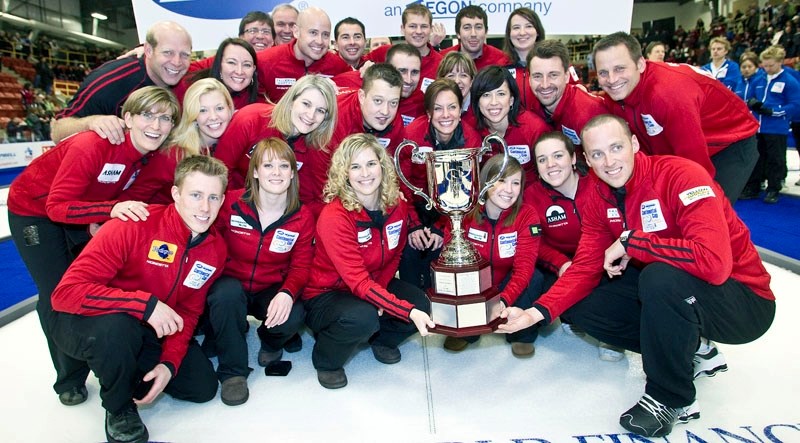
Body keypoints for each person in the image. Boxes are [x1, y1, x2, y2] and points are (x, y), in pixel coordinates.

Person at [499, 115, 775, 438]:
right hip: (684, 292)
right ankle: (689, 346)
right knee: (581, 303)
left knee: (658, 277)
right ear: (586, 159)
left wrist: (634, 242)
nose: (609, 161)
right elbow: (586, 267)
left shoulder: (681, 175)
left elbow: (713, 263)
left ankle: (670, 398)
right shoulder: (599, 197)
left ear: (634, 144)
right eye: (598, 154)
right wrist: (535, 313)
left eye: (616, 147)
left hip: (744, 300)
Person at [7, 86, 180, 408]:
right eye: (147, 115)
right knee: (57, 292)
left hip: (81, 211)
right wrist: (109, 210)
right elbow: (56, 207)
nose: (156, 125)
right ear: (127, 118)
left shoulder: (148, 156)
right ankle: (69, 377)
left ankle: (96, 351)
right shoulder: (92, 144)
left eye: (165, 118)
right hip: (34, 211)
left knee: (90, 284)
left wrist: (105, 213)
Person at [49, 155, 228, 443]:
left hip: (145, 330)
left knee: (202, 387)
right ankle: (118, 409)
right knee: (117, 330)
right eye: (195, 195)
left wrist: (168, 364)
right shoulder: (134, 224)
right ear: (176, 194)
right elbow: (64, 294)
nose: (205, 207)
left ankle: (122, 367)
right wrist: (144, 305)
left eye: (213, 197)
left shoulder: (215, 250)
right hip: (88, 321)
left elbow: (189, 313)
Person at [303, 133, 434, 389]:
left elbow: (394, 254)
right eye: (355, 166)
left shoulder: (397, 205)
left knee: (421, 302)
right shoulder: (335, 217)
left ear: (383, 167)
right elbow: (358, 281)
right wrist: (402, 310)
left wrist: (382, 294)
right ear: (345, 174)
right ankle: (326, 359)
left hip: (371, 281)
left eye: (371, 164)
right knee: (365, 317)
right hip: (326, 294)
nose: (365, 173)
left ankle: (381, 340)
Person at [204, 138, 313, 406]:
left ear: (292, 173)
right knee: (225, 296)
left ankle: (269, 342)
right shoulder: (230, 204)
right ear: (254, 171)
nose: (276, 172)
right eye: (268, 165)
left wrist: (287, 293)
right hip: (232, 285)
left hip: (269, 286)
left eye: (283, 166)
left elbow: (301, 266)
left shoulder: (303, 216)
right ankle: (233, 373)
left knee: (295, 312)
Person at [592, 31, 758, 204]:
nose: (611, 79)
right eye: (603, 72)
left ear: (640, 64)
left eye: (619, 68)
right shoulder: (615, 96)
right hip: (680, 145)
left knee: (706, 209)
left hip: (729, 144)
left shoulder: (669, 94)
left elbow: (696, 165)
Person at [522, 132, 624, 361]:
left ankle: (613, 335)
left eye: (558, 156)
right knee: (566, 296)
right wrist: (562, 264)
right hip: (564, 262)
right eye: (542, 160)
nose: (551, 165)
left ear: (573, 158)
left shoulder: (600, 184)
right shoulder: (531, 197)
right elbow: (534, 243)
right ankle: (574, 317)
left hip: (605, 258)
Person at [439, 155, 543, 357]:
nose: (509, 190)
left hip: (508, 283)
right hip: (476, 283)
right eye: (501, 180)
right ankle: (467, 332)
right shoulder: (464, 212)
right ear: (486, 182)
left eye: (516, 183)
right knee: (456, 275)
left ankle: (521, 334)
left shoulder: (527, 215)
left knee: (534, 278)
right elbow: (451, 261)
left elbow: (523, 269)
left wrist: (503, 301)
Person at [398, 79, 485, 289]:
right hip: (416, 209)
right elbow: (402, 186)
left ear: (461, 110)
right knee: (409, 250)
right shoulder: (412, 136)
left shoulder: (472, 140)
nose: (446, 115)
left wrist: (442, 229)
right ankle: (413, 308)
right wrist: (414, 226)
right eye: (438, 109)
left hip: (452, 214)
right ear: (428, 113)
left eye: (452, 107)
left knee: (440, 250)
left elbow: (469, 195)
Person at [214, 74, 338, 216]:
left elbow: (310, 197)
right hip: (233, 205)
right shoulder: (250, 120)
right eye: (306, 104)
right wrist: (231, 210)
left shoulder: (316, 147)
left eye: (320, 111)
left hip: (274, 213)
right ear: (291, 101)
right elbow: (220, 170)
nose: (311, 115)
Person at [52, 21, 191, 144]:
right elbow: (58, 130)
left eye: (185, 54)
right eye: (168, 52)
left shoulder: (188, 76)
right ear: (148, 50)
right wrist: (91, 122)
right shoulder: (112, 81)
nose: (177, 62)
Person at [122, 78, 234, 205]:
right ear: (192, 114)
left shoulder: (233, 143)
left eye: (219, 108)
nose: (213, 117)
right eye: (202, 110)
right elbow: (132, 198)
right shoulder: (174, 154)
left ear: (230, 109)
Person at [466, 65, 550, 188]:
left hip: (529, 200)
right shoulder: (469, 130)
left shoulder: (534, 129)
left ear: (511, 99)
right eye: (486, 95)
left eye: (501, 94)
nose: (494, 102)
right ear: (477, 102)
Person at [740, 45, 800, 203]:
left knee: (775, 159)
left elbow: (795, 104)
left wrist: (773, 111)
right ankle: (753, 187)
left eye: (771, 65)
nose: (767, 69)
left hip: (776, 127)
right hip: (757, 126)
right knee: (757, 158)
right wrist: (753, 103)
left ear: (780, 62)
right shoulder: (759, 79)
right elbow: (749, 97)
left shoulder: (789, 81)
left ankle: (773, 189)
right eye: (764, 65)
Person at [255, 7, 349, 102]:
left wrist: (364, 68)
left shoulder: (338, 66)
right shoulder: (265, 61)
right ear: (296, 32)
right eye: (313, 33)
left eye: (325, 35)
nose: (319, 41)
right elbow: (255, 108)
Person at [528, 40, 606, 149]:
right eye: (537, 76)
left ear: (566, 77)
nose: (545, 85)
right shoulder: (531, 107)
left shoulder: (587, 114)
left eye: (553, 75)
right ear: (529, 79)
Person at [363, 4, 443, 94]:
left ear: (431, 29)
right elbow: (356, 65)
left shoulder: (441, 63)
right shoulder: (384, 52)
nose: (418, 31)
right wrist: (366, 65)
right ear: (402, 28)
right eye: (412, 26)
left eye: (424, 26)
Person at [329, 63, 406, 155]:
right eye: (378, 101)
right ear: (361, 97)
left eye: (393, 102)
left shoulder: (396, 123)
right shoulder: (334, 118)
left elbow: (391, 165)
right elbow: (319, 167)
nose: (385, 112)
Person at [176, 38, 259, 110]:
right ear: (219, 64)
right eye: (231, 62)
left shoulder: (256, 101)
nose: (239, 71)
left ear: (253, 69)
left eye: (247, 65)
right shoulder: (190, 88)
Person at [441, 6, 511, 70]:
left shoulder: (501, 60)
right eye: (467, 28)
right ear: (458, 33)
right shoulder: (442, 58)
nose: (473, 34)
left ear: (486, 32)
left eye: (478, 27)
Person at [502, 7, 546, 110]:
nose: (522, 32)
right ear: (509, 34)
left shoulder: (554, 62)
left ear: (538, 31)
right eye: (516, 27)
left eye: (529, 26)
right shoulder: (500, 68)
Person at [436, 51, 477, 116]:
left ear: (472, 80)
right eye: (451, 76)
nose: (457, 81)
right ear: (441, 80)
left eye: (463, 75)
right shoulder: (434, 107)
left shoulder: (479, 109)